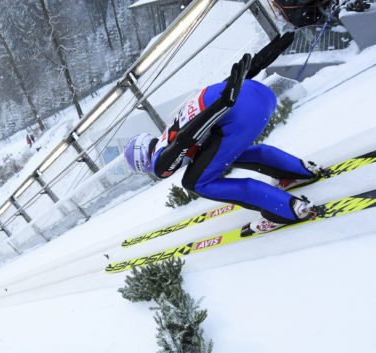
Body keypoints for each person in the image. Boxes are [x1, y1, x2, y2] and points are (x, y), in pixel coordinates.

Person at [124, 32, 328, 234]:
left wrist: (223, 105)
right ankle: (294, 171)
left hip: (238, 114)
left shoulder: (161, 163)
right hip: (258, 95)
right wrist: (260, 60)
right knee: (215, 156)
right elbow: (228, 86)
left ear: (144, 164)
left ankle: (284, 210)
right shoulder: (169, 129)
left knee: (195, 181)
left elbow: (185, 138)